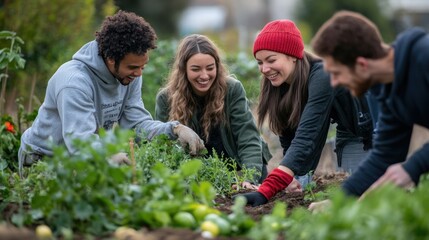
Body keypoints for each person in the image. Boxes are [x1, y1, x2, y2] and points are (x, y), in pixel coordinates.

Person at [18, 10, 205, 177]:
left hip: (78, 160)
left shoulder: (128, 75)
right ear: (110, 58)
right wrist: (108, 155)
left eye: (142, 66)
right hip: (43, 160)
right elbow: (79, 142)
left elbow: (137, 124)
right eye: (133, 67)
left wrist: (175, 129)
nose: (139, 73)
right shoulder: (74, 82)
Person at [235, 19, 374, 206]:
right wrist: (290, 176)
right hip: (348, 130)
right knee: (317, 193)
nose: (264, 69)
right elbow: (290, 134)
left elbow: (308, 135)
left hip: (371, 128)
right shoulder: (279, 83)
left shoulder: (324, 75)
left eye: (271, 60)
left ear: (293, 56)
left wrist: (267, 188)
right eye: (260, 62)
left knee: (367, 196)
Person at [310, 10, 429, 197]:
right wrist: (339, 202)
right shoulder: (388, 90)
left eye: (336, 73)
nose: (333, 83)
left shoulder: (424, 57)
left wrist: (412, 167)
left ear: (362, 65)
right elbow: (385, 156)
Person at [155, 34, 272, 186]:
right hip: (199, 176)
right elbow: (163, 147)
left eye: (210, 68)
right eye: (196, 69)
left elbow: (247, 136)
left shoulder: (232, 89)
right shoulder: (166, 98)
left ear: (217, 66)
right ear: (184, 70)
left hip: (241, 170)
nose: (204, 75)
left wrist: (249, 178)